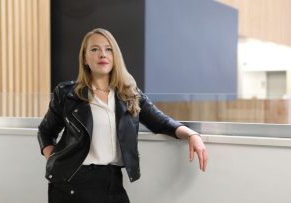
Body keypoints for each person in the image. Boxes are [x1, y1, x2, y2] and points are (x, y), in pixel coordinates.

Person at [37, 28, 208, 203]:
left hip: (113, 180)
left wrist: (191, 134)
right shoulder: (67, 93)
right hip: (72, 183)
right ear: (84, 58)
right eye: (94, 49)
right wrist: (58, 160)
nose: (102, 54)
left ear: (114, 56)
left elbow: (161, 122)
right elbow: (45, 131)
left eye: (108, 49)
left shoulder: (130, 94)